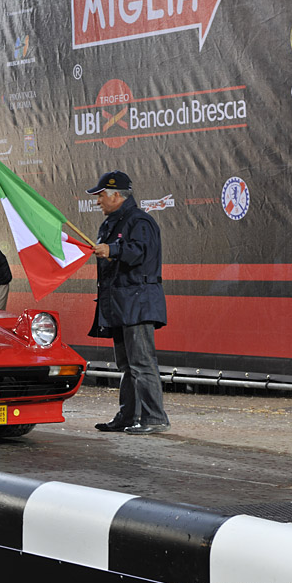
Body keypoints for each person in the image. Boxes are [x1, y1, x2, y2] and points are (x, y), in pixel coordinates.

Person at [86, 171, 170, 435]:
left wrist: (112, 250)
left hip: (137, 302)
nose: (97, 201)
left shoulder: (140, 221)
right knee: (127, 366)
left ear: (116, 195)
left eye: (100, 195)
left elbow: (139, 253)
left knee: (142, 363)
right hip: (121, 304)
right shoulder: (113, 223)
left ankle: (154, 418)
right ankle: (128, 416)